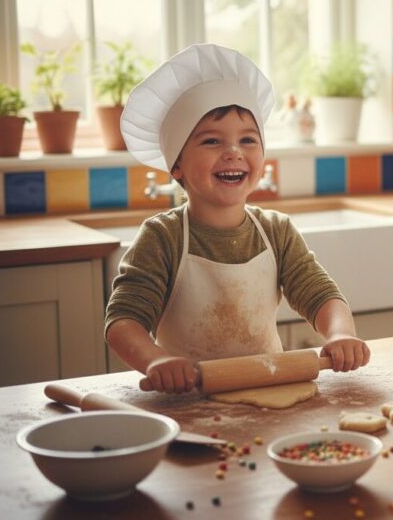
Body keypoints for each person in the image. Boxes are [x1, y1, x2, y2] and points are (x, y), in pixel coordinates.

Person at [105, 44, 369, 394]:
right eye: (212, 141)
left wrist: (340, 334)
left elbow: (321, 296)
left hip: (269, 387)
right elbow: (124, 321)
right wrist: (156, 360)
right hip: (188, 399)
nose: (234, 152)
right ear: (176, 165)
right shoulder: (162, 237)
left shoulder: (276, 231)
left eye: (248, 139)